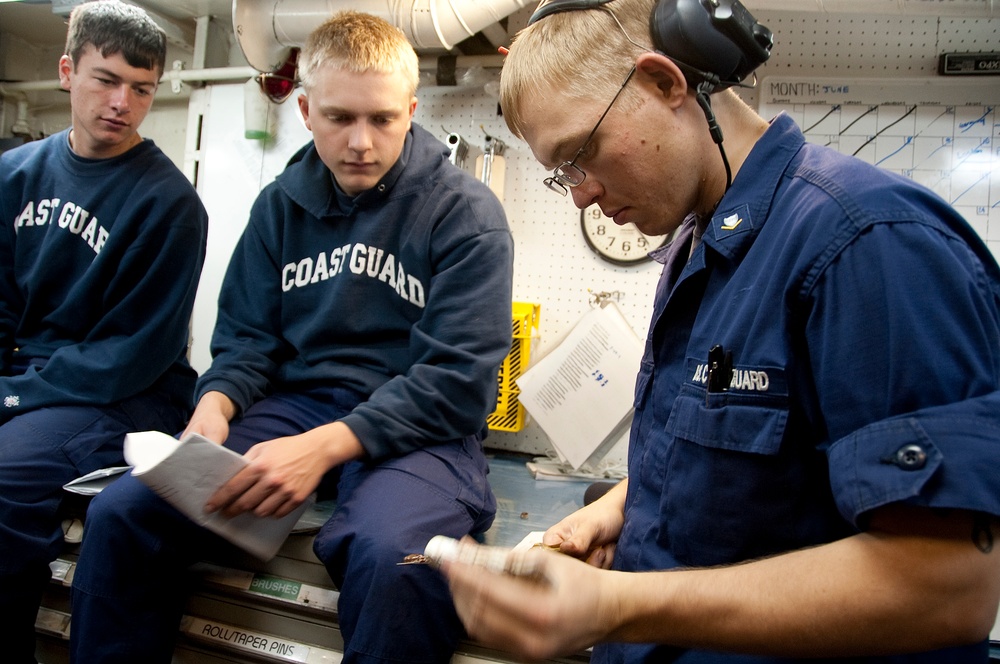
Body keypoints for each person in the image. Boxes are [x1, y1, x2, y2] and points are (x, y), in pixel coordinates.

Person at [440, 0, 1000, 662]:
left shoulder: (867, 243)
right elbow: (741, 458)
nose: (582, 194)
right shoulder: (701, 248)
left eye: (580, 154)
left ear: (663, 82)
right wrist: (615, 512)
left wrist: (614, 605)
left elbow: (947, 588)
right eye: (563, 176)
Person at [70, 9, 514, 664]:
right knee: (124, 516)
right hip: (297, 406)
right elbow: (248, 340)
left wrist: (320, 450)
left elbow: (458, 386)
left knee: (398, 561)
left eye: (383, 119)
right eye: (339, 117)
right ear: (305, 111)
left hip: (419, 428)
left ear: (411, 109)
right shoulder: (280, 204)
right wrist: (213, 411)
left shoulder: (464, 213)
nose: (361, 141)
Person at [0, 1, 208, 661]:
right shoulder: (14, 176)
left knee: (3, 477)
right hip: (39, 381)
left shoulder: (169, 203)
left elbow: (131, 354)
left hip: (128, 392)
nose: (121, 102)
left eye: (141, 88)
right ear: (67, 71)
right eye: (105, 79)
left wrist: (13, 398)